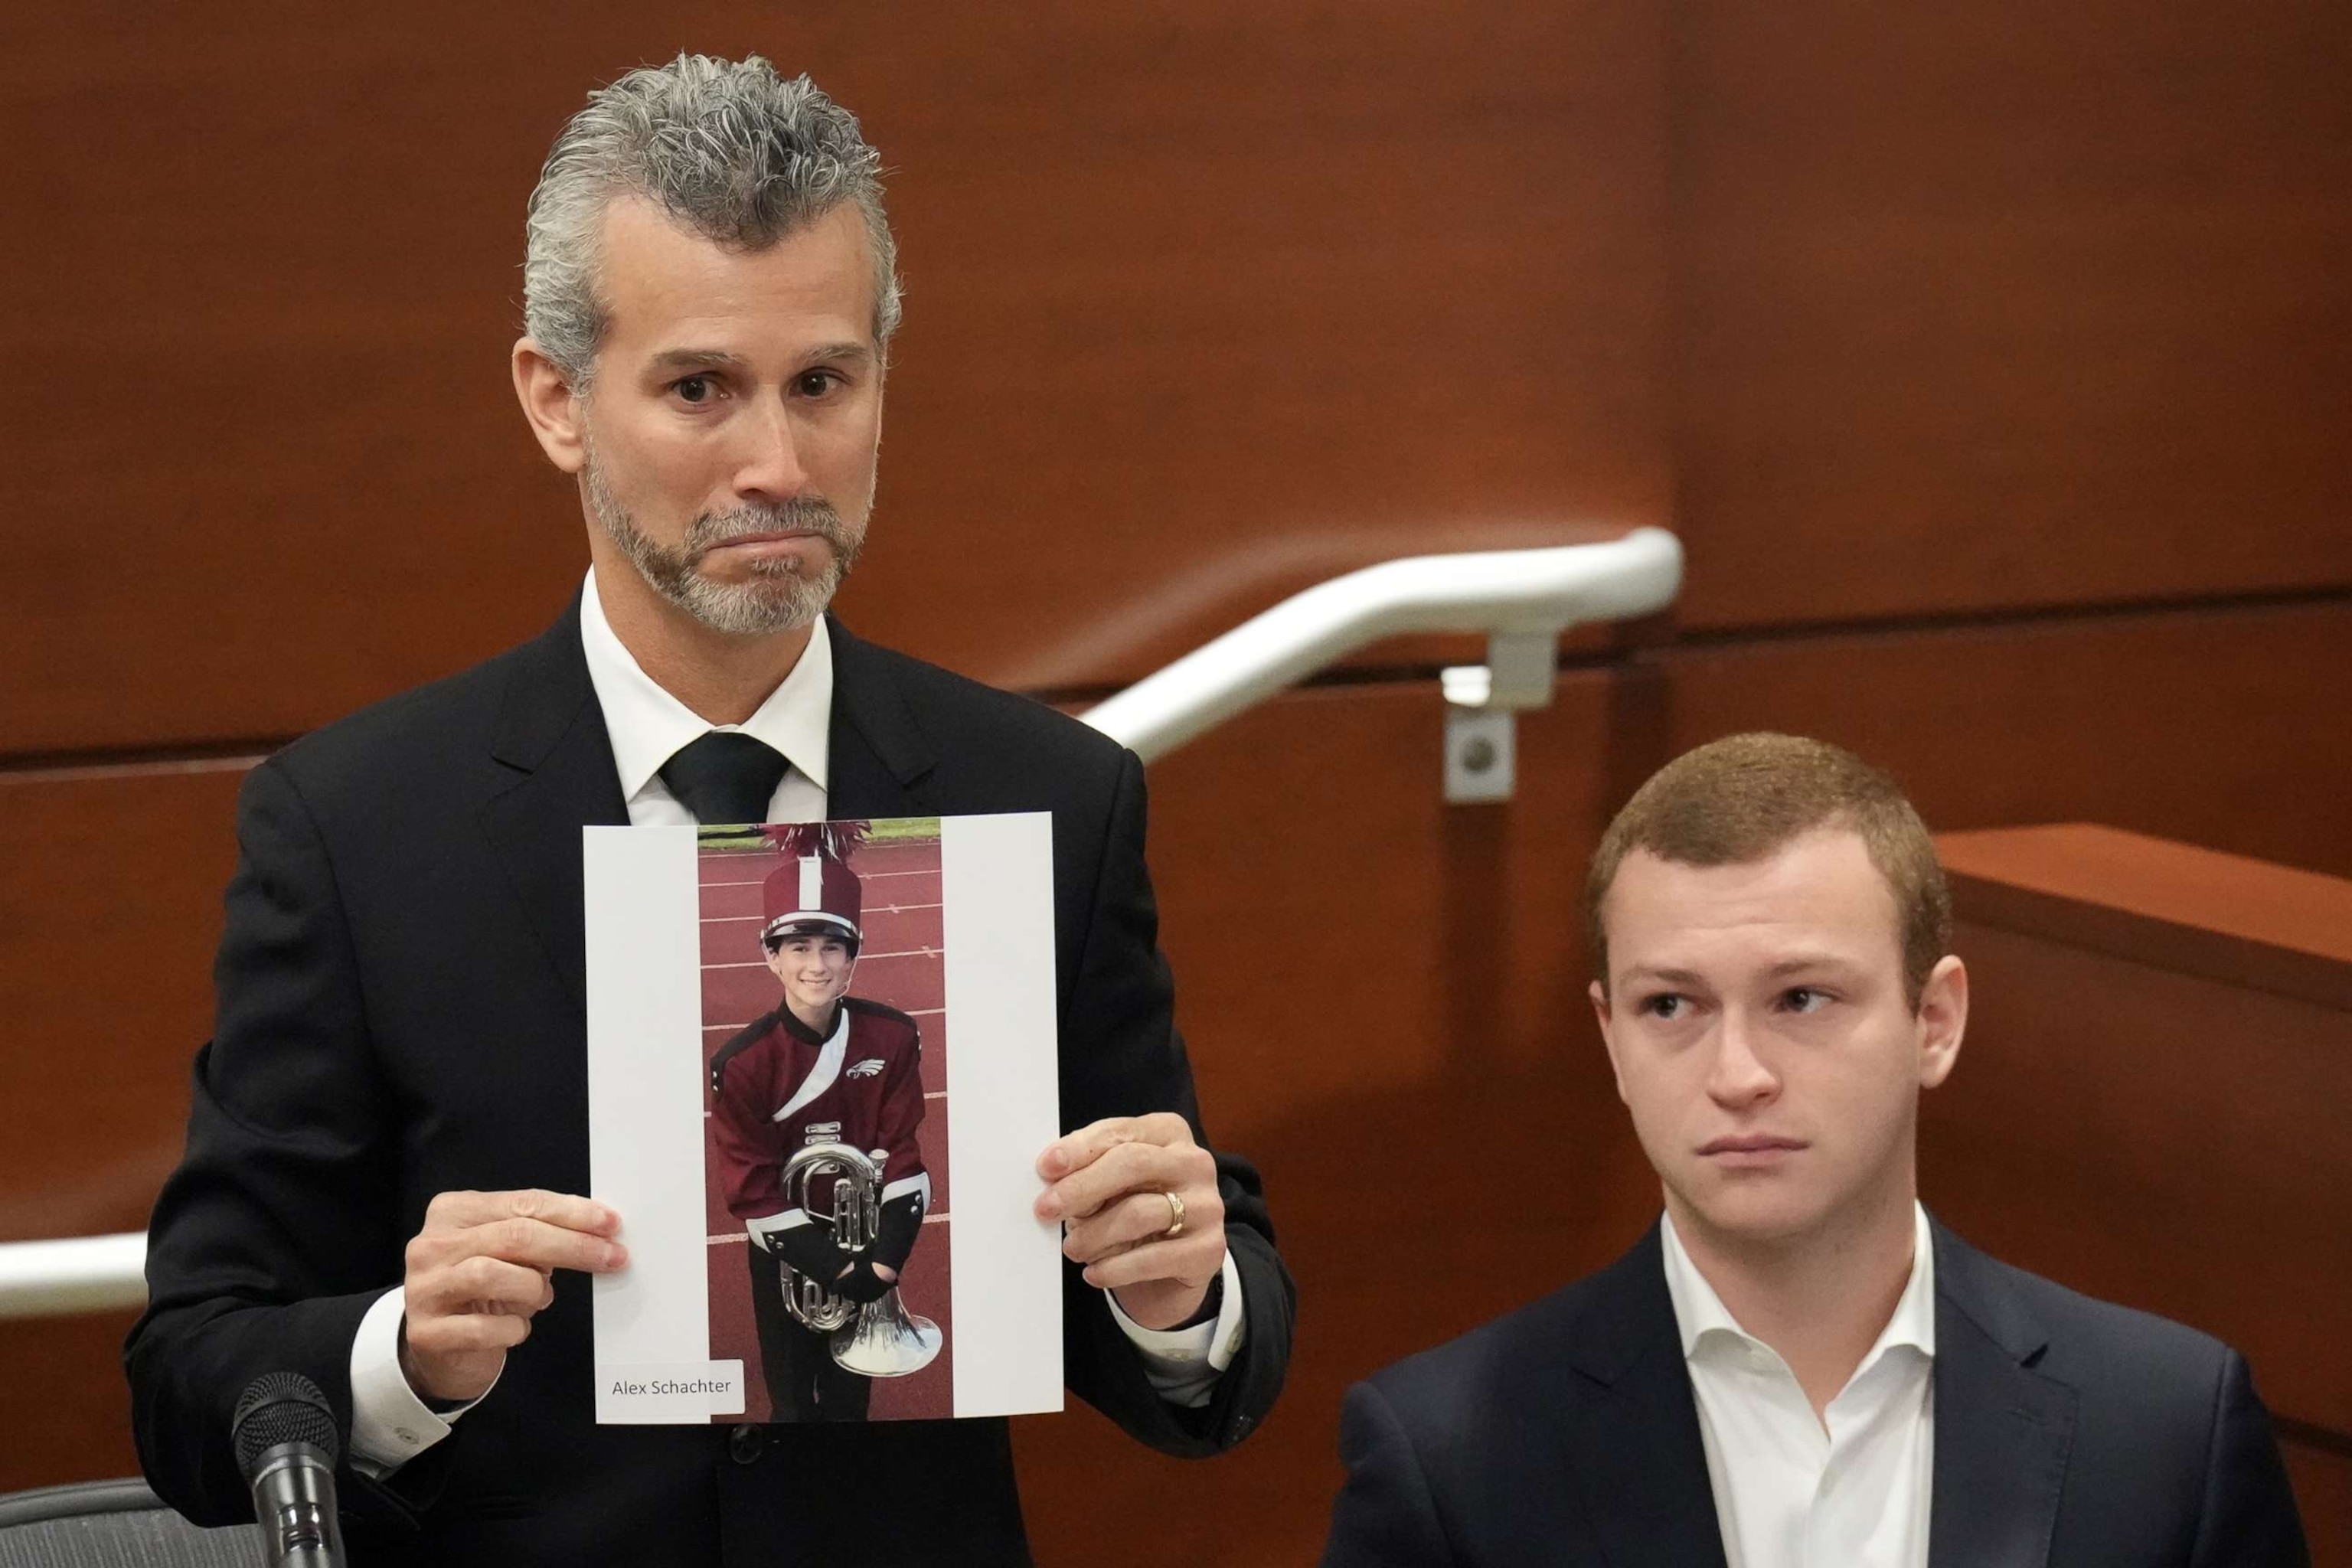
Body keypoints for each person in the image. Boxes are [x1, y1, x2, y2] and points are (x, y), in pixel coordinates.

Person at [126, 54, 1291, 1566]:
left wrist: (1182, 1293)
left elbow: (1196, 1355)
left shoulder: (1048, 798)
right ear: (557, 400)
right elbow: (190, 1376)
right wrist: (402, 1358)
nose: (777, 465)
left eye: (823, 382)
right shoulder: (356, 832)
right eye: (699, 389)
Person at [1319, 733, 2308, 1568]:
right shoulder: (1446, 1460)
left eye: (1800, 999)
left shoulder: (2169, 1432)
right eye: (1671, 1005)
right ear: (1612, 1039)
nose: (1737, 1072)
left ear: (1937, 1020)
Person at [707, 837, 933, 1422]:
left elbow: (903, 1151)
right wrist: (831, 1267)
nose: (816, 965)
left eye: (833, 947)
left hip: (868, 1242)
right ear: (771, 957)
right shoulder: (742, 1063)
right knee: (790, 1399)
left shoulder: (892, 1037)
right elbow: (752, 1187)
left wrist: (881, 1266)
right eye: (799, 947)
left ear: (853, 958)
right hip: (789, 1254)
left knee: (849, 1398)